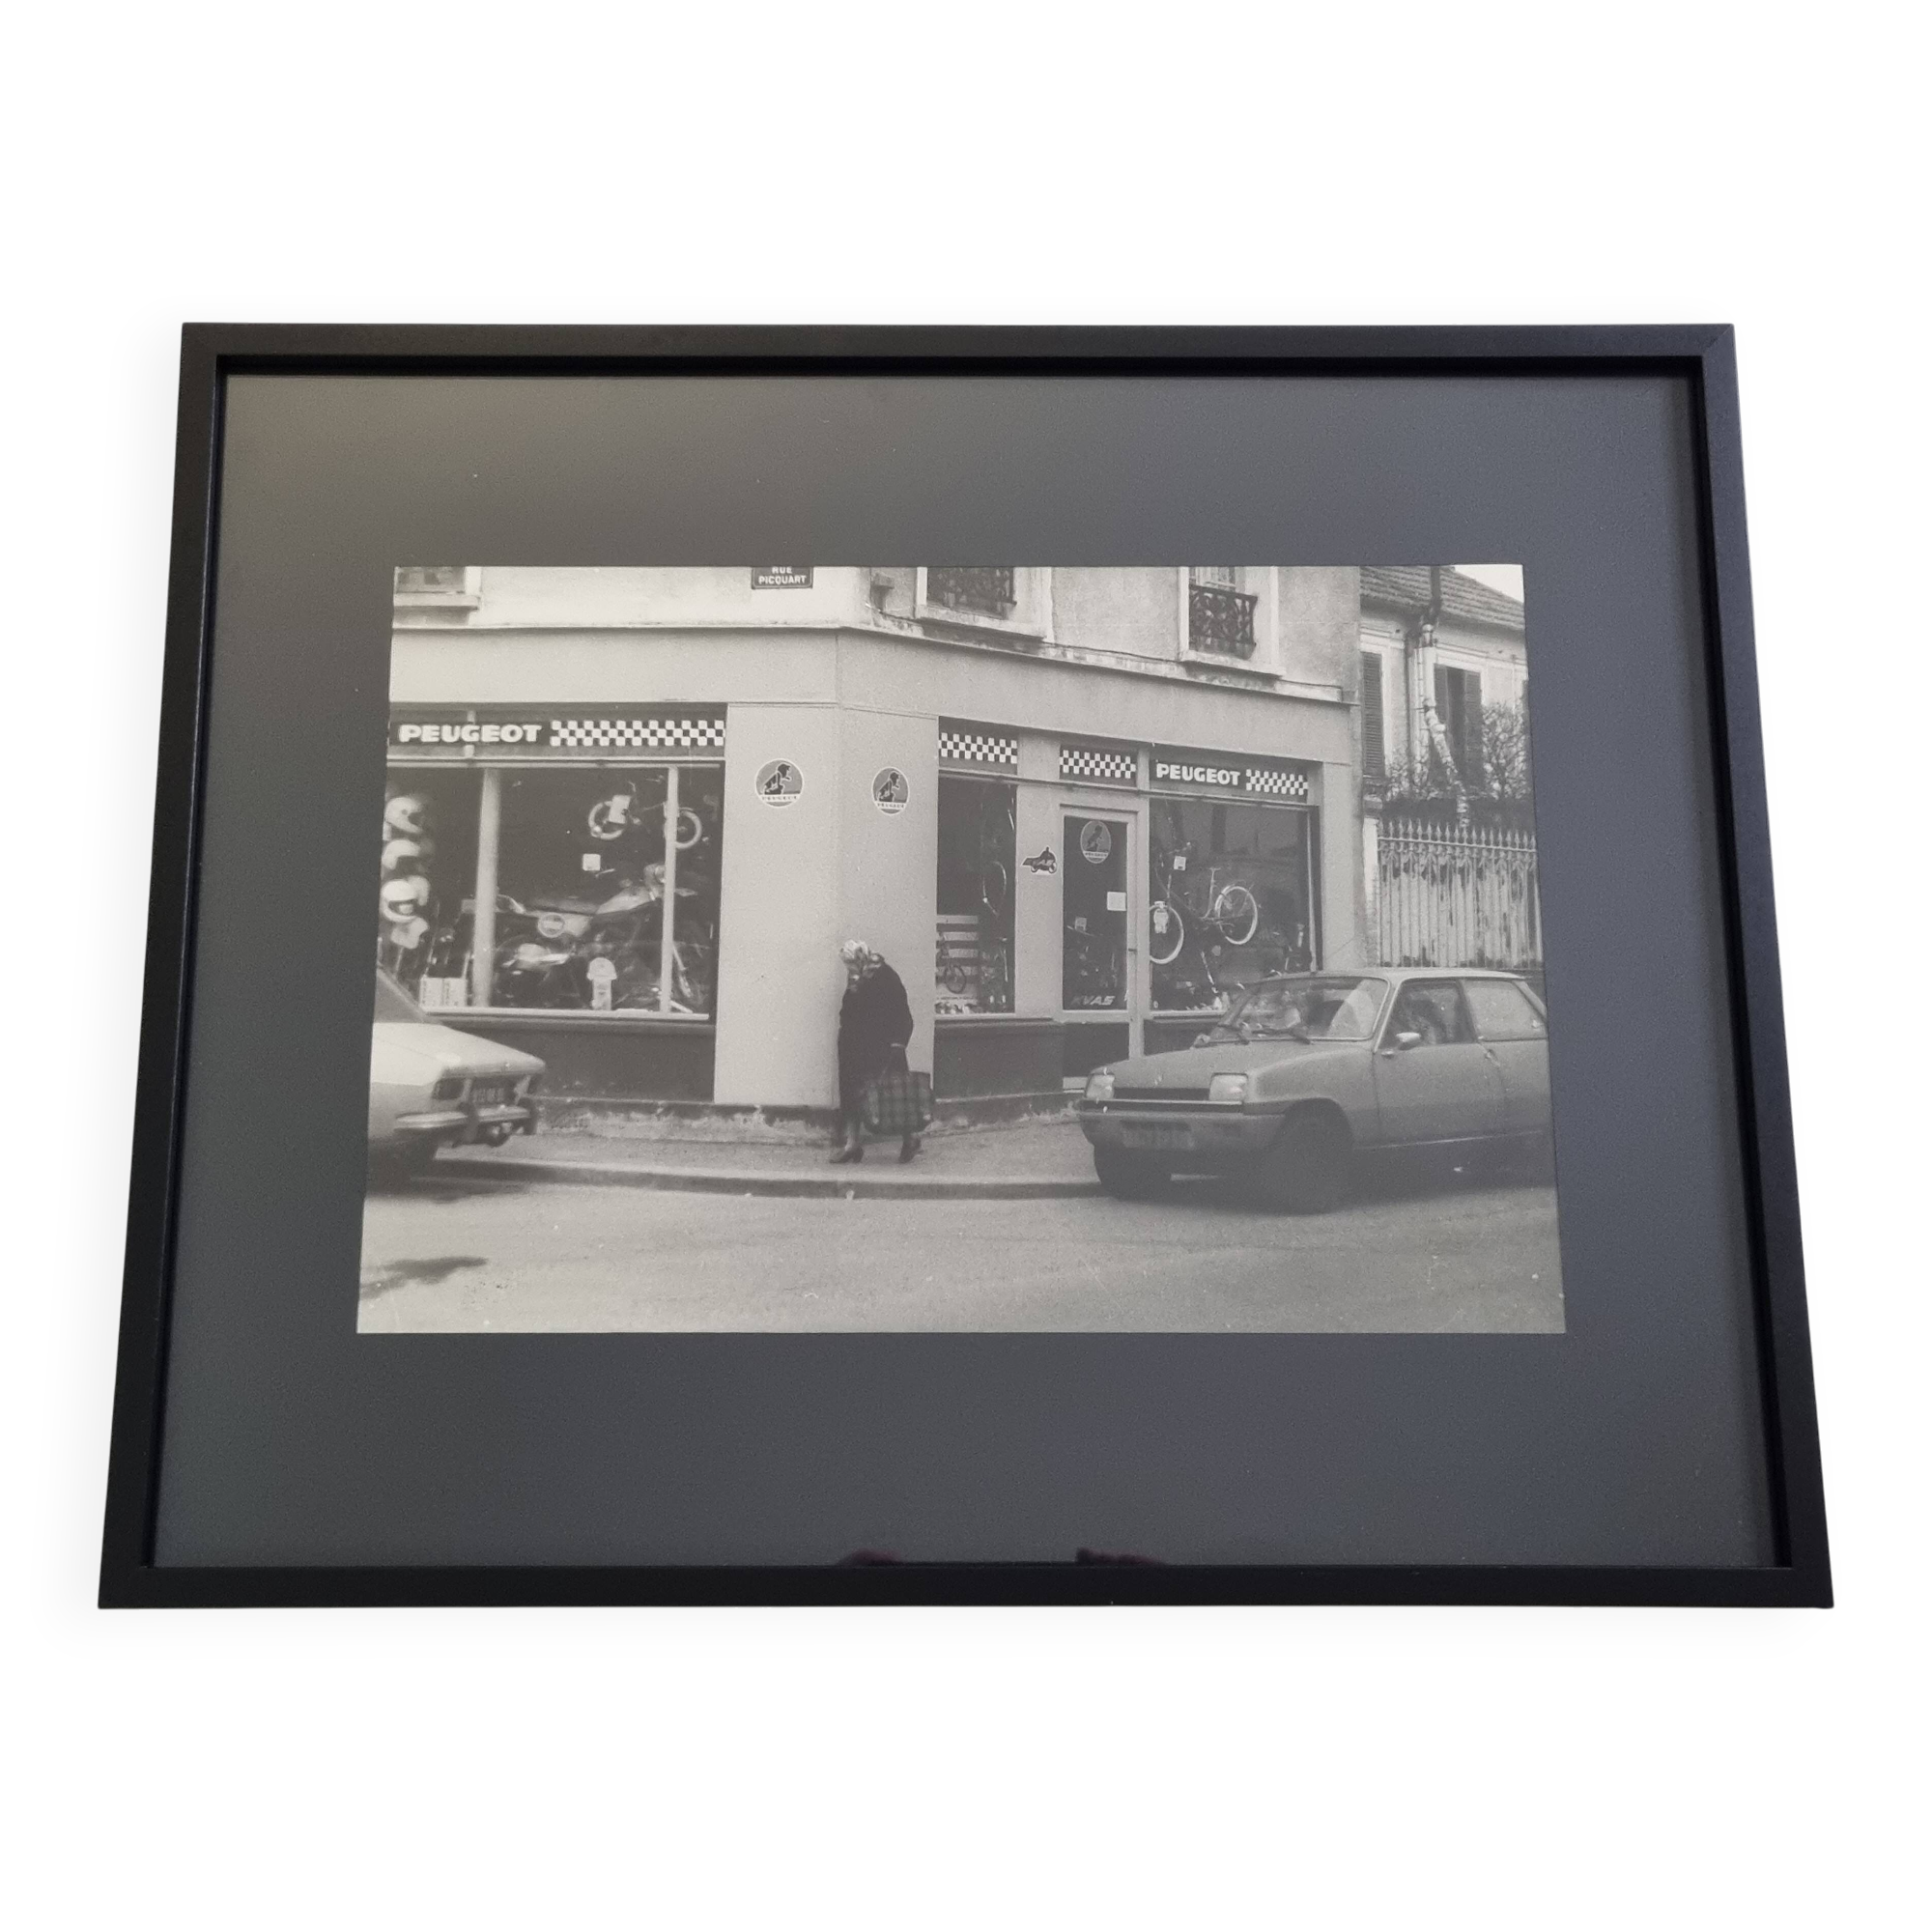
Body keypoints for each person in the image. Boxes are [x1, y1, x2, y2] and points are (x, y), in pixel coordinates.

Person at [833, 940, 919, 1164]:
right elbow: (848, 1009)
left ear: (860, 958)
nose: (848, 968)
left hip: (881, 1047)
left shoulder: (886, 977)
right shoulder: (856, 979)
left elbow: (902, 1012)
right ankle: (852, 1145)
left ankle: (910, 1138)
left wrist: (898, 1043)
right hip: (854, 1047)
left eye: (851, 963)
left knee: (894, 1095)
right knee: (851, 1095)